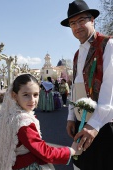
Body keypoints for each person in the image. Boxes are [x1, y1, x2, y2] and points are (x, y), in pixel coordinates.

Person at [0, 74, 81, 170]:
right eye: (26, 95)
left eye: (35, 95)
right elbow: (44, 152)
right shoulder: (24, 123)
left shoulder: (12, 115)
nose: (32, 100)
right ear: (14, 96)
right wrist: (71, 151)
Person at [60, 0, 113, 169]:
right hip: (81, 123)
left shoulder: (108, 44)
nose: (77, 27)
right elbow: (75, 88)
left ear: (93, 20)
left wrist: (94, 125)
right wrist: (70, 117)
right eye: (72, 23)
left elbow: (110, 89)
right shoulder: (76, 54)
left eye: (81, 20)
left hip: (102, 124)